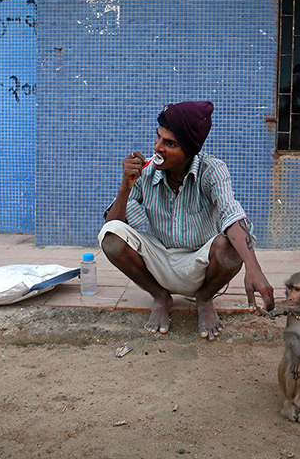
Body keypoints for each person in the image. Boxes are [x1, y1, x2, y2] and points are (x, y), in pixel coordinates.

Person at [98, 101, 274, 340]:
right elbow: (113, 224)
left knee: (231, 246)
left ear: (190, 151)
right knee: (111, 235)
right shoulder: (145, 172)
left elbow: (233, 215)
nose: (158, 148)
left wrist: (254, 268)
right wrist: (125, 187)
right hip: (158, 260)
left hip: (201, 265)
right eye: (158, 138)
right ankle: (160, 297)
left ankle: (204, 299)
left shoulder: (212, 170)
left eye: (170, 144)